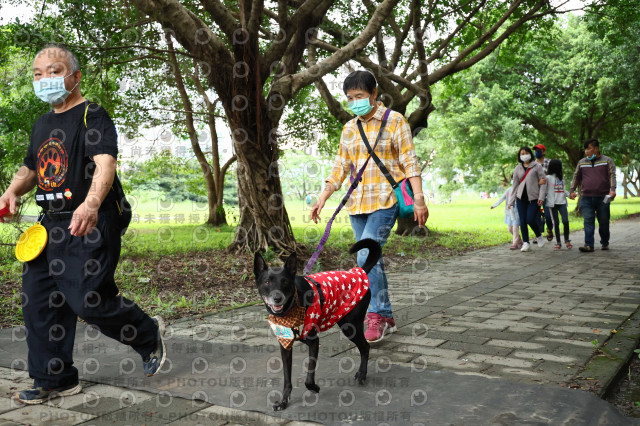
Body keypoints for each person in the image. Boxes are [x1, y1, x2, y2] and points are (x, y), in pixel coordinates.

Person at [0, 44, 166, 404]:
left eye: (54, 71)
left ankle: (146, 333)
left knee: (88, 300)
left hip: (92, 219)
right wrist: (13, 191)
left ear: (75, 77)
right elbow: (31, 168)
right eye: (37, 74)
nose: (45, 80)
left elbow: (105, 164)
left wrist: (90, 204)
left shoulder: (93, 115)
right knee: (39, 302)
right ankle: (54, 378)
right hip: (50, 225)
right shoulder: (43, 123)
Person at [310, 70, 428, 342]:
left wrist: (419, 199)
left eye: (360, 96)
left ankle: (376, 314)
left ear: (374, 94)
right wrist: (323, 196)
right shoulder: (350, 128)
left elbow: (410, 162)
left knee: (365, 257)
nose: (355, 102)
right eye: (350, 98)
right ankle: (385, 315)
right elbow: (340, 166)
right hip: (357, 203)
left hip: (386, 200)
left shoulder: (395, 121)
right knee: (371, 259)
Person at [569, 138, 617, 252]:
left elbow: (612, 175)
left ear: (596, 148)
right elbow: (576, 177)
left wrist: (613, 189)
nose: (587, 151)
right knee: (588, 221)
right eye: (585, 149)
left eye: (589, 148)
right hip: (586, 197)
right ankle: (589, 245)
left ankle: (605, 242)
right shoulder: (581, 162)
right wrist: (572, 190)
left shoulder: (607, 161)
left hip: (603, 197)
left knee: (604, 221)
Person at [508, 147, 547, 252]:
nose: (524, 155)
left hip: (534, 198)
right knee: (523, 221)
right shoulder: (517, 168)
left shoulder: (537, 166)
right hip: (520, 198)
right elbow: (515, 186)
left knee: (530, 219)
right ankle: (526, 243)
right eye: (522, 153)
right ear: (519, 156)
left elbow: (543, 182)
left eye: (526, 153)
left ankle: (539, 235)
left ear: (530, 154)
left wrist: (541, 197)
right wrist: (511, 202)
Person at [545, 159, 572, 250]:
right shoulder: (548, 178)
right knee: (555, 223)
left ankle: (567, 240)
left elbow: (563, 190)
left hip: (562, 203)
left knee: (565, 221)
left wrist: (569, 195)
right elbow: (544, 189)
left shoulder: (561, 178)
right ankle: (558, 242)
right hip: (553, 204)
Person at [491, 178, 522, 250]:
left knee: (515, 227)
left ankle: (515, 243)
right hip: (509, 211)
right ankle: (519, 240)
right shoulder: (509, 190)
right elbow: (502, 198)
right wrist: (494, 205)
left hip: (517, 210)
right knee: (510, 228)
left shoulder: (520, 189)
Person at [533, 144, 554, 241]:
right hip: (535, 194)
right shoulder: (532, 164)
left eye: (539, 150)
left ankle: (549, 229)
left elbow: (553, 178)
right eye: (535, 150)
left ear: (544, 151)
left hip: (547, 193)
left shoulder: (550, 163)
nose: (537, 152)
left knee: (548, 214)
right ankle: (539, 235)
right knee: (535, 216)